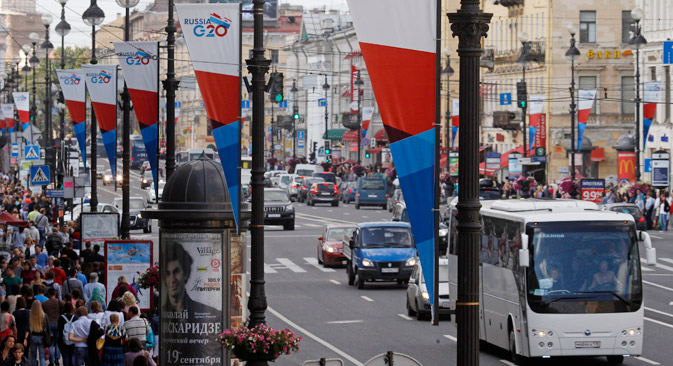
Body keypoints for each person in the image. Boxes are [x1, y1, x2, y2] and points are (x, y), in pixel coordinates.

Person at [41, 288, 62, 366]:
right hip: (57, 323)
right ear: (55, 294)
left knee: (50, 343)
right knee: (57, 342)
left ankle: (51, 361)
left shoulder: (44, 303)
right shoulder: (59, 302)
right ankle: (57, 358)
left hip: (48, 324)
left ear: (48, 294)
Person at [28, 301, 50, 366]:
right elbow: (47, 327)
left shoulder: (30, 315)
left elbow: (28, 326)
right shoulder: (44, 315)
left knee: (33, 356)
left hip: (33, 336)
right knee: (42, 356)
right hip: (42, 337)